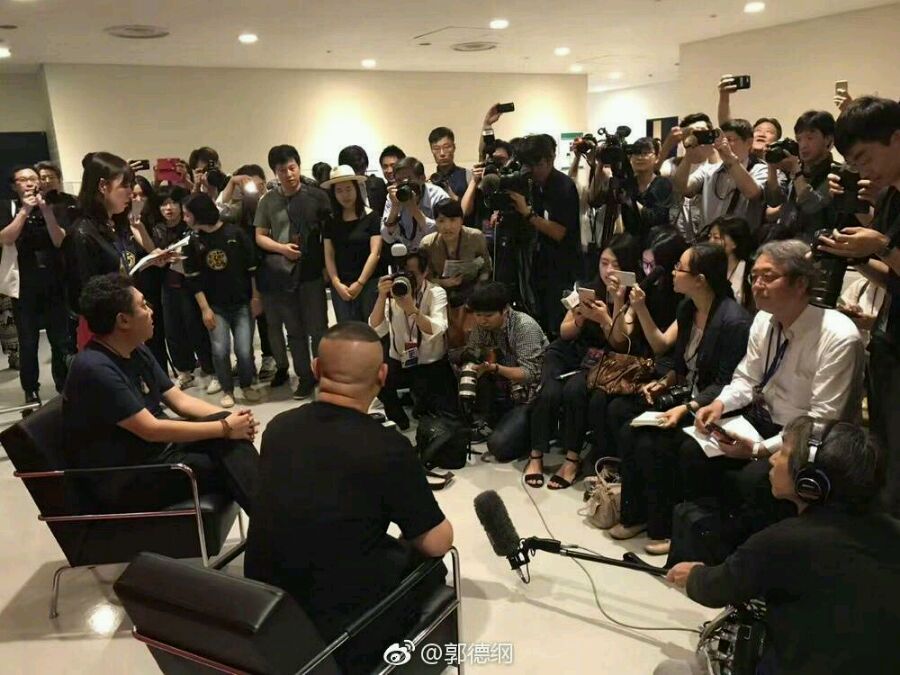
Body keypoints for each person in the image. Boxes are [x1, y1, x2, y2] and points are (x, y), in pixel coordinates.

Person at [244, 322, 453, 673]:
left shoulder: (279, 427)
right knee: (434, 566)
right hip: (342, 631)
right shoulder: (388, 448)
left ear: (315, 368)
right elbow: (436, 542)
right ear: (383, 375)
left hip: (266, 610)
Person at [661, 418, 900, 675]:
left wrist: (693, 575)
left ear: (811, 481)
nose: (773, 459)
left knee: (669, 670)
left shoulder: (782, 542)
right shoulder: (892, 531)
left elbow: (717, 587)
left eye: (784, 453)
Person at [691, 240, 865, 535]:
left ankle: (743, 551)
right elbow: (747, 378)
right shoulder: (763, 320)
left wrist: (759, 450)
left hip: (807, 439)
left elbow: (821, 420)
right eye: (754, 276)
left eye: (768, 277)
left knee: (752, 479)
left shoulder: (838, 336)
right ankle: (701, 537)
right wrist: (720, 404)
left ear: (801, 283)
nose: (757, 285)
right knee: (693, 448)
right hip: (763, 418)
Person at [62, 274, 259, 513]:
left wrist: (233, 419)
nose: (151, 311)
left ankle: (273, 523)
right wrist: (225, 428)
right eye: (143, 305)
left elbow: (180, 400)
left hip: (158, 454)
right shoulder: (94, 368)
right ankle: (275, 524)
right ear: (123, 320)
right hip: (127, 477)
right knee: (232, 457)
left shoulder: (136, 350)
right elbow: (151, 429)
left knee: (231, 444)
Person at [612, 244, 751, 556]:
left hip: (711, 406)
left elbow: (726, 382)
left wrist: (686, 407)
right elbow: (680, 365)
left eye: (680, 268)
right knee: (629, 430)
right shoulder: (687, 308)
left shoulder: (733, 321)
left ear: (700, 279)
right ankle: (635, 516)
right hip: (686, 396)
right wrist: (663, 383)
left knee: (656, 445)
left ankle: (665, 527)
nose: (673, 272)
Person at [818, 95, 900, 515]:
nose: (864, 170)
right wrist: (858, 255)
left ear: (896, 139)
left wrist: (881, 244)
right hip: (890, 340)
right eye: (854, 163)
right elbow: (893, 277)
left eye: (865, 157)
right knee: (887, 446)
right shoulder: (890, 198)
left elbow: (890, 252)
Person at [525, 233, 642, 490]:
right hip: (567, 350)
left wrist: (606, 315)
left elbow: (620, 342)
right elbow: (564, 332)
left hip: (602, 359)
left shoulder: (634, 297)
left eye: (616, 265)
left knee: (575, 391)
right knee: (549, 391)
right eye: (604, 263)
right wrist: (580, 316)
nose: (608, 271)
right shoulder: (587, 288)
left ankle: (571, 460)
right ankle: (536, 456)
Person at [254, 144, 330, 400]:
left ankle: (323, 376)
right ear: (274, 173)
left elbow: (328, 234)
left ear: (298, 166)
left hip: (312, 273)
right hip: (284, 276)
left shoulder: (316, 196)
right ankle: (305, 378)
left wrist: (327, 268)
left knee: (318, 329)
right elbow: (259, 236)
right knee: (295, 332)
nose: (288, 174)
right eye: (281, 170)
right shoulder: (267, 201)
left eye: (292, 168)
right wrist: (282, 249)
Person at [182, 193, 262, 408]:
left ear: (199, 214)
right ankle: (227, 389)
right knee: (220, 350)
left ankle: (247, 384)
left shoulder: (235, 233)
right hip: (215, 307)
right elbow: (193, 280)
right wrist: (205, 309)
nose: (185, 219)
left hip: (242, 303)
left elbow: (252, 269)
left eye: (188, 214)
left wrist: (256, 298)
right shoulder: (193, 241)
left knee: (244, 350)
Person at [0, 166, 70, 404]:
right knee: (28, 341)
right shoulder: (7, 207)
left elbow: (59, 240)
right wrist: (25, 211)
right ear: (14, 185)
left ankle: (64, 386)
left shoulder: (52, 205)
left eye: (34, 179)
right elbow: (5, 238)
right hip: (24, 284)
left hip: (54, 282)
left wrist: (46, 211)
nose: (30, 183)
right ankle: (30, 389)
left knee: (60, 340)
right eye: (24, 180)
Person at [369, 251, 456, 429]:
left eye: (412, 274)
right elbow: (376, 328)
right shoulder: (393, 291)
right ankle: (397, 416)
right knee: (374, 376)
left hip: (429, 362)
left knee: (436, 413)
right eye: (402, 273)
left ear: (425, 272)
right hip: (399, 359)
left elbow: (437, 328)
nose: (406, 279)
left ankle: (420, 403)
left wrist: (411, 308)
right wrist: (381, 296)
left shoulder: (436, 292)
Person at [65, 152, 143, 349]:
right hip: (104, 329)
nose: (130, 192)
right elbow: (86, 295)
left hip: (123, 317)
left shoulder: (114, 224)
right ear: (102, 186)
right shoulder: (83, 232)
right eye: (124, 185)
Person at [463, 282, 548, 454]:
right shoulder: (481, 326)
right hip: (501, 389)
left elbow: (530, 374)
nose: (482, 320)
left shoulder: (524, 326)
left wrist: (495, 368)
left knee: (499, 446)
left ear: (505, 310)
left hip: (529, 394)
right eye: (478, 315)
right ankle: (487, 418)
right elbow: (472, 352)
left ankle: (536, 428)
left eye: (488, 315)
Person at [514, 134, 582, 337]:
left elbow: (559, 232)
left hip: (561, 266)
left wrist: (527, 213)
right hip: (539, 263)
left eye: (537, 164)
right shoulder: (532, 184)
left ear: (550, 159)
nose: (533, 170)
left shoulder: (563, 186)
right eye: (528, 165)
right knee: (539, 315)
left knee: (557, 319)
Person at [151, 184, 215, 390]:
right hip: (168, 285)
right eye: (164, 204)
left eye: (173, 203)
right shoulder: (157, 229)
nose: (168, 208)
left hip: (190, 285)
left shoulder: (190, 227)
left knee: (196, 327)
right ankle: (184, 371)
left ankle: (210, 368)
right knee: (173, 330)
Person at [673, 119, 768, 235]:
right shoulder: (710, 169)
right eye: (722, 139)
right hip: (709, 238)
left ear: (749, 142)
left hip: (741, 241)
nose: (724, 144)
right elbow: (682, 188)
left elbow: (752, 193)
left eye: (730, 140)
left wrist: (730, 158)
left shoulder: (760, 169)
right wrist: (688, 155)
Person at [419, 200, 492, 346]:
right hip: (441, 293)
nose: (447, 226)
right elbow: (424, 278)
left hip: (472, 290)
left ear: (461, 220)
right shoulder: (427, 244)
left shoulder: (475, 237)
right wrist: (443, 282)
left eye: (453, 220)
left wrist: (478, 292)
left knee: (471, 332)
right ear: (435, 222)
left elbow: (486, 269)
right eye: (441, 221)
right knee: (447, 334)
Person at [321, 165, 383, 322]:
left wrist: (360, 283)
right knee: (347, 331)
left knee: (372, 329)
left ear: (356, 188)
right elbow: (329, 254)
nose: (345, 195)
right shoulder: (330, 221)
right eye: (339, 191)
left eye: (348, 189)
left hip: (369, 282)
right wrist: (336, 283)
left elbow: (375, 253)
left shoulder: (371, 216)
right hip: (341, 285)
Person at [764, 110, 837, 243]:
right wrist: (771, 167)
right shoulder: (795, 167)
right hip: (785, 241)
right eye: (799, 139)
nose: (803, 145)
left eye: (810, 138)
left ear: (828, 139)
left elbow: (812, 206)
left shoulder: (835, 173)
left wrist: (797, 172)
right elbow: (774, 200)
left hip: (815, 244)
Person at [590, 137, 674, 244]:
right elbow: (594, 200)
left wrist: (630, 200)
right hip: (630, 244)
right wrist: (600, 164)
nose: (640, 157)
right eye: (636, 153)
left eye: (645, 153)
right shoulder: (626, 184)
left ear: (657, 158)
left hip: (655, 244)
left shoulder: (663, 184)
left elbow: (656, 219)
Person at [659, 113, 720, 243]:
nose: (698, 136)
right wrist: (668, 144)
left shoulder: (716, 164)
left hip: (707, 237)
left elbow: (716, 174)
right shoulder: (672, 163)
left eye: (703, 132)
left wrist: (712, 148)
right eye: (693, 133)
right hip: (675, 237)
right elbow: (654, 176)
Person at [381, 156, 450, 254]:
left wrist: (414, 209)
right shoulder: (393, 197)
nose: (404, 185)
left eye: (408, 180)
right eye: (399, 181)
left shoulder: (438, 195)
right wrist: (394, 208)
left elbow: (444, 233)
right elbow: (387, 238)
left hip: (435, 253)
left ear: (422, 178)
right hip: (407, 255)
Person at [717, 74, 783, 160]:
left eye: (769, 132)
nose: (762, 134)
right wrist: (724, 96)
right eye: (758, 130)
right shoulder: (739, 158)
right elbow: (726, 126)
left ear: (777, 141)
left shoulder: (781, 165)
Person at [708, 215, 754, 308]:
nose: (710, 242)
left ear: (734, 243)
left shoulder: (750, 271)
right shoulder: (706, 266)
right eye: (710, 236)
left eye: (716, 237)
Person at [338, 145, 387, 217]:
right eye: (354, 173)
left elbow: (384, 214)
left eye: (362, 172)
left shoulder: (378, 184)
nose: (358, 178)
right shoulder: (337, 191)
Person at [427, 126, 471, 199]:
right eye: (436, 148)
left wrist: (451, 195)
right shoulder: (430, 181)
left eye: (446, 147)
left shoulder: (467, 175)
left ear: (454, 147)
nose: (442, 153)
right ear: (431, 150)